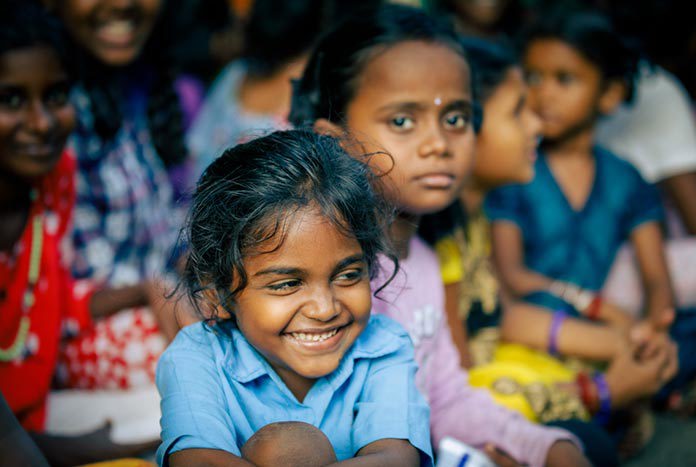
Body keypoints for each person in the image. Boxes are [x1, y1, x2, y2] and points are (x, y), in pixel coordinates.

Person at [290, 5, 589, 467]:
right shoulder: (320, 276)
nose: (439, 143)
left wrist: (542, 445)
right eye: (403, 122)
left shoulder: (425, 264)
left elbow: (446, 398)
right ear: (334, 139)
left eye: (455, 118)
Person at [157, 129, 432, 466]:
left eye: (347, 275)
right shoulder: (197, 356)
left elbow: (396, 459)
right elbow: (196, 461)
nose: (325, 308)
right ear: (217, 292)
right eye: (287, 284)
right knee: (287, 446)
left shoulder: (383, 346)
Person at [484, 7, 683, 443]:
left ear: (609, 94)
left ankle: (634, 385)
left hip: (602, 332)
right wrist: (593, 307)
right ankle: (628, 399)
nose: (543, 94)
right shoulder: (516, 168)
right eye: (533, 78)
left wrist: (653, 326)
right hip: (532, 324)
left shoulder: (625, 179)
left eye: (564, 79)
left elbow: (657, 279)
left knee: (679, 336)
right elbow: (511, 275)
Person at [0, 2, 169, 463]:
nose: (41, 122)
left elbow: (48, 306)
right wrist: (103, 445)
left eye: (56, 96)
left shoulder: (50, 185)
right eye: (11, 100)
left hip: (37, 412)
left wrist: (145, 291)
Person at [186, 0, 327, 180]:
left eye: (244, 5)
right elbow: (195, 151)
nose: (238, 12)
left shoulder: (317, 95)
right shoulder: (235, 73)